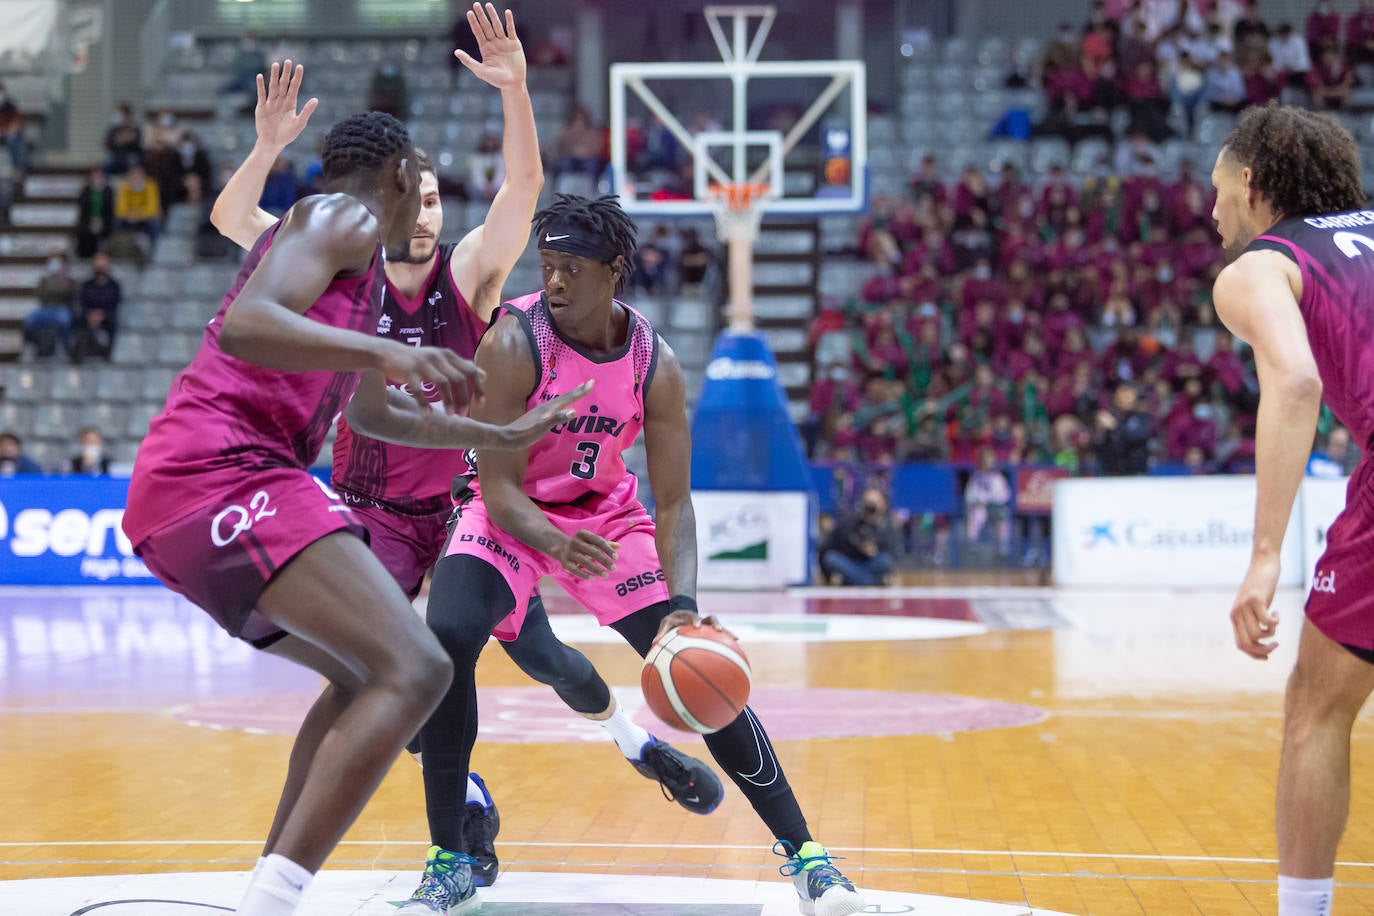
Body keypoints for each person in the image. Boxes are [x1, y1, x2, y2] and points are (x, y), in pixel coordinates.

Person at [209, 5, 717, 889]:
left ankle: (634, 744)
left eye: (440, 197)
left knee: (542, 657)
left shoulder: (472, 275)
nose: (426, 210)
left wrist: (517, 93)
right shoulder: (338, 262)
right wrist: (263, 148)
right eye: (418, 193)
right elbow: (230, 217)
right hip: (361, 511)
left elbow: (522, 187)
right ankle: (467, 802)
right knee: (389, 675)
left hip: (454, 515)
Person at [121, 108, 585, 916]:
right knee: (421, 668)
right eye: (426, 187)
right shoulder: (335, 216)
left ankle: (268, 889)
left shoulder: (359, 271)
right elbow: (247, 325)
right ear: (403, 178)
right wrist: (389, 349)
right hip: (220, 470)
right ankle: (274, 900)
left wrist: (494, 432)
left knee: (369, 674)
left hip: (206, 488)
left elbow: (376, 414)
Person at [401, 193, 866, 916]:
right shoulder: (514, 341)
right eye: (547, 266)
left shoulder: (657, 363)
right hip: (510, 514)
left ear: (614, 270)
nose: (554, 283)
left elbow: (675, 504)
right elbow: (496, 488)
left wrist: (683, 609)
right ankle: (447, 860)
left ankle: (809, 859)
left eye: (571, 270)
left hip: (605, 519)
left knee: (697, 670)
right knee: (449, 636)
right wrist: (551, 540)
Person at [1210, 103, 1374, 916]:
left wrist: (1266, 553)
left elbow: (1297, 380)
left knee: (1318, 705)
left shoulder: (1258, 269)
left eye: (1216, 191)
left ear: (1250, 182)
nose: (1212, 214)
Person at [818, 488, 897, 586]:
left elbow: (892, 553)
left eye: (874, 504)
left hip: (872, 565)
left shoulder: (887, 527)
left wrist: (874, 551)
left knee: (885, 560)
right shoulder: (850, 523)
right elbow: (830, 546)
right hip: (850, 563)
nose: (871, 509)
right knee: (831, 558)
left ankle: (856, 582)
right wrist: (856, 545)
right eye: (868, 504)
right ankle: (870, 583)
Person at [70, 250, 121, 363]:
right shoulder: (86, 285)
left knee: (113, 323)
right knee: (77, 322)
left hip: (106, 318)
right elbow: (81, 304)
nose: (100, 264)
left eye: (103, 260)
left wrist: (101, 315)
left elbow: (115, 304)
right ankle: (77, 357)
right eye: (97, 260)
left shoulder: (114, 286)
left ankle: (108, 356)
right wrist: (90, 315)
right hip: (88, 317)